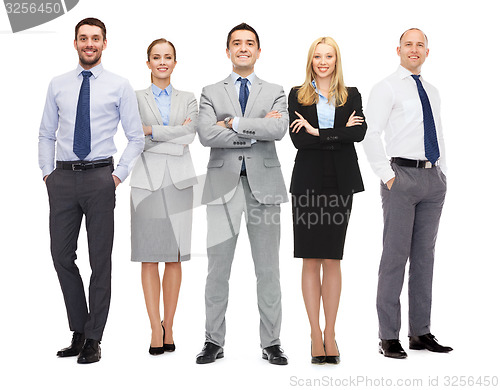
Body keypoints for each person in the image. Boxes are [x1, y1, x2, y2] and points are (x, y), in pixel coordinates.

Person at [38, 17, 144, 364]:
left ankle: (94, 337)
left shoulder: (119, 85)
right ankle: (79, 329)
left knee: (100, 260)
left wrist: (117, 177)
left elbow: (135, 137)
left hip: (100, 177)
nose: (89, 44)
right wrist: (47, 175)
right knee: (61, 256)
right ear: (75, 43)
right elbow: (46, 134)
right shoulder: (58, 84)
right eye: (83, 38)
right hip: (63, 179)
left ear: (104, 43)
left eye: (95, 39)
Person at [195, 23, 289, 365]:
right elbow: (205, 134)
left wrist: (232, 123)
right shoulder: (209, 90)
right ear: (228, 51)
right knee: (218, 270)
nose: (243, 48)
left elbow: (278, 129)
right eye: (237, 43)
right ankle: (212, 341)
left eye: (250, 43)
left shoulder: (277, 90)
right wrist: (254, 130)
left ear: (258, 51)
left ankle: (272, 342)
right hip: (223, 188)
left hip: (266, 187)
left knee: (268, 270)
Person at [363, 28, 452, 359]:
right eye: (409, 44)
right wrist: (387, 177)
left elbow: (438, 131)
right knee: (395, 258)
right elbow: (370, 133)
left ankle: (420, 332)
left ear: (427, 52)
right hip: (400, 177)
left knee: (425, 258)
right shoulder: (386, 88)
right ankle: (388, 336)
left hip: (432, 179)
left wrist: (443, 172)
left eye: (420, 45)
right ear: (398, 50)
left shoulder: (432, 90)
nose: (414, 50)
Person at [288, 37, 366, 365]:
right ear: (311, 60)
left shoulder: (352, 95)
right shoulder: (296, 95)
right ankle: (313, 334)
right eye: (317, 56)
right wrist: (336, 133)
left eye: (328, 56)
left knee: (332, 259)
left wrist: (318, 132)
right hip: (306, 183)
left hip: (340, 183)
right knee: (310, 259)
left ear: (337, 60)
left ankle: (330, 333)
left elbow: (358, 134)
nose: (323, 61)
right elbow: (297, 140)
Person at [129, 38, 198, 355]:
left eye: (167, 57)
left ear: (174, 62)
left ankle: (169, 326)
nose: (162, 62)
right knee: (148, 255)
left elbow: (190, 137)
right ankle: (153, 327)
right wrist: (173, 134)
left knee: (174, 256)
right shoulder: (134, 97)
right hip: (146, 183)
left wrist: (152, 130)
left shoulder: (189, 99)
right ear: (148, 63)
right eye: (156, 57)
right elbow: (134, 137)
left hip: (180, 182)